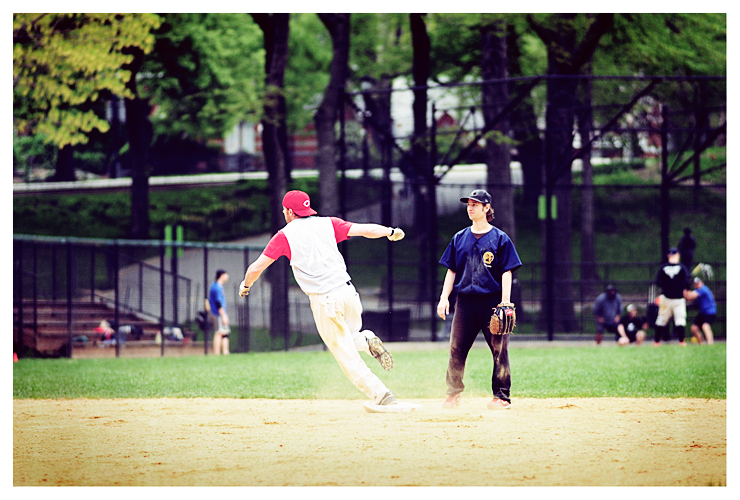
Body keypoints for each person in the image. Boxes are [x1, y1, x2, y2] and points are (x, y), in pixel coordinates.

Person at [239, 190, 404, 407]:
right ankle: (366, 340)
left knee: (345, 356)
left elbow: (256, 268)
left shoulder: (285, 235)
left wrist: (246, 285)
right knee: (351, 336)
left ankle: (381, 394)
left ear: (289, 211)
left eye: (284, 210)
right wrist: (390, 231)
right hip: (348, 292)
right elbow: (365, 229)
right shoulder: (328, 223)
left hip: (325, 301)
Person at [437, 189, 522, 410]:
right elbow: (451, 271)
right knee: (456, 348)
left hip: (491, 303)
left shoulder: (500, 238)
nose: (470, 207)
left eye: (476, 204)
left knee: (499, 350)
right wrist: (444, 298)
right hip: (465, 303)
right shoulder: (459, 238)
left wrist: (505, 301)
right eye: (468, 204)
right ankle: (453, 394)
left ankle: (501, 396)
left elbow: (507, 271)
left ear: (487, 208)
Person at [654, 248, 691, 346]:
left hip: (666, 298)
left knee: (661, 320)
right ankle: (681, 342)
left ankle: (656, 342)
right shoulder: (682, 268)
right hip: (678, 299)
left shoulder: (663, 268)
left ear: (668, 256)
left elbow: (658, 282)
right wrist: (686, 290)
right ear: (678, 255)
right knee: (680, 320)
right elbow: (687, 282)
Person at [684, 277, 717, 345]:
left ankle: (710, 344)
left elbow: (689, 296)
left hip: (710, 312)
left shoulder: (703, 289)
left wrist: (685, 289)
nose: (697, 285)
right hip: (703, 312)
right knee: (694, 328)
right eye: (695, 284)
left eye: (698, 283)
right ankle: (701, 343)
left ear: (701, 282)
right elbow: (688, 298)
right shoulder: (697, 290)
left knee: (705, 326)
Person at [208, 269, 230, 355]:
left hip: (218, 313)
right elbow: (218, 302)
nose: (227, 277)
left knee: (224, 332)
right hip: (218, 313)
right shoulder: (217, 287)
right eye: (226, 275)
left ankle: (225, 352)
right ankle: (216, 353)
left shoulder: (216, 286)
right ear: (222, 275)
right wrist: (223, 315)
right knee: (219, 332)